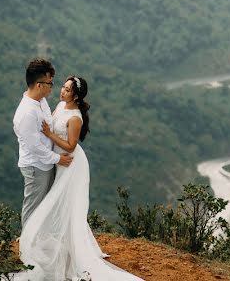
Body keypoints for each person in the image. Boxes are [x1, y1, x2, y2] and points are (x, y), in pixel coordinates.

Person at [12, 75, 143, 281]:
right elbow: (50, 124)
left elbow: (70, 145)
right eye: (62, 87)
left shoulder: (75, 117)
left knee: (65, 203)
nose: (62, 91)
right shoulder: (60, 105)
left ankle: (64, 247)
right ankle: (43, 241)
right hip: (57, 159)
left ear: (75, 95)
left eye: (67, 89)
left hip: (70, 162)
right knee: (55, 201)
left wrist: (48, 134)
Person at [13, 58, 73, 228]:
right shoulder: (27, 112)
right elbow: (34, 147)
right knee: (32, 207)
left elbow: (49, 125)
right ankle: (27, 247)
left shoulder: (41, 101)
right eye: (50, 83)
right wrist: (57, 159)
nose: (51, 87)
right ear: (39, 85)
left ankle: (38, 243)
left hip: (45, 163)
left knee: (45, 206)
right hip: (35, 166)